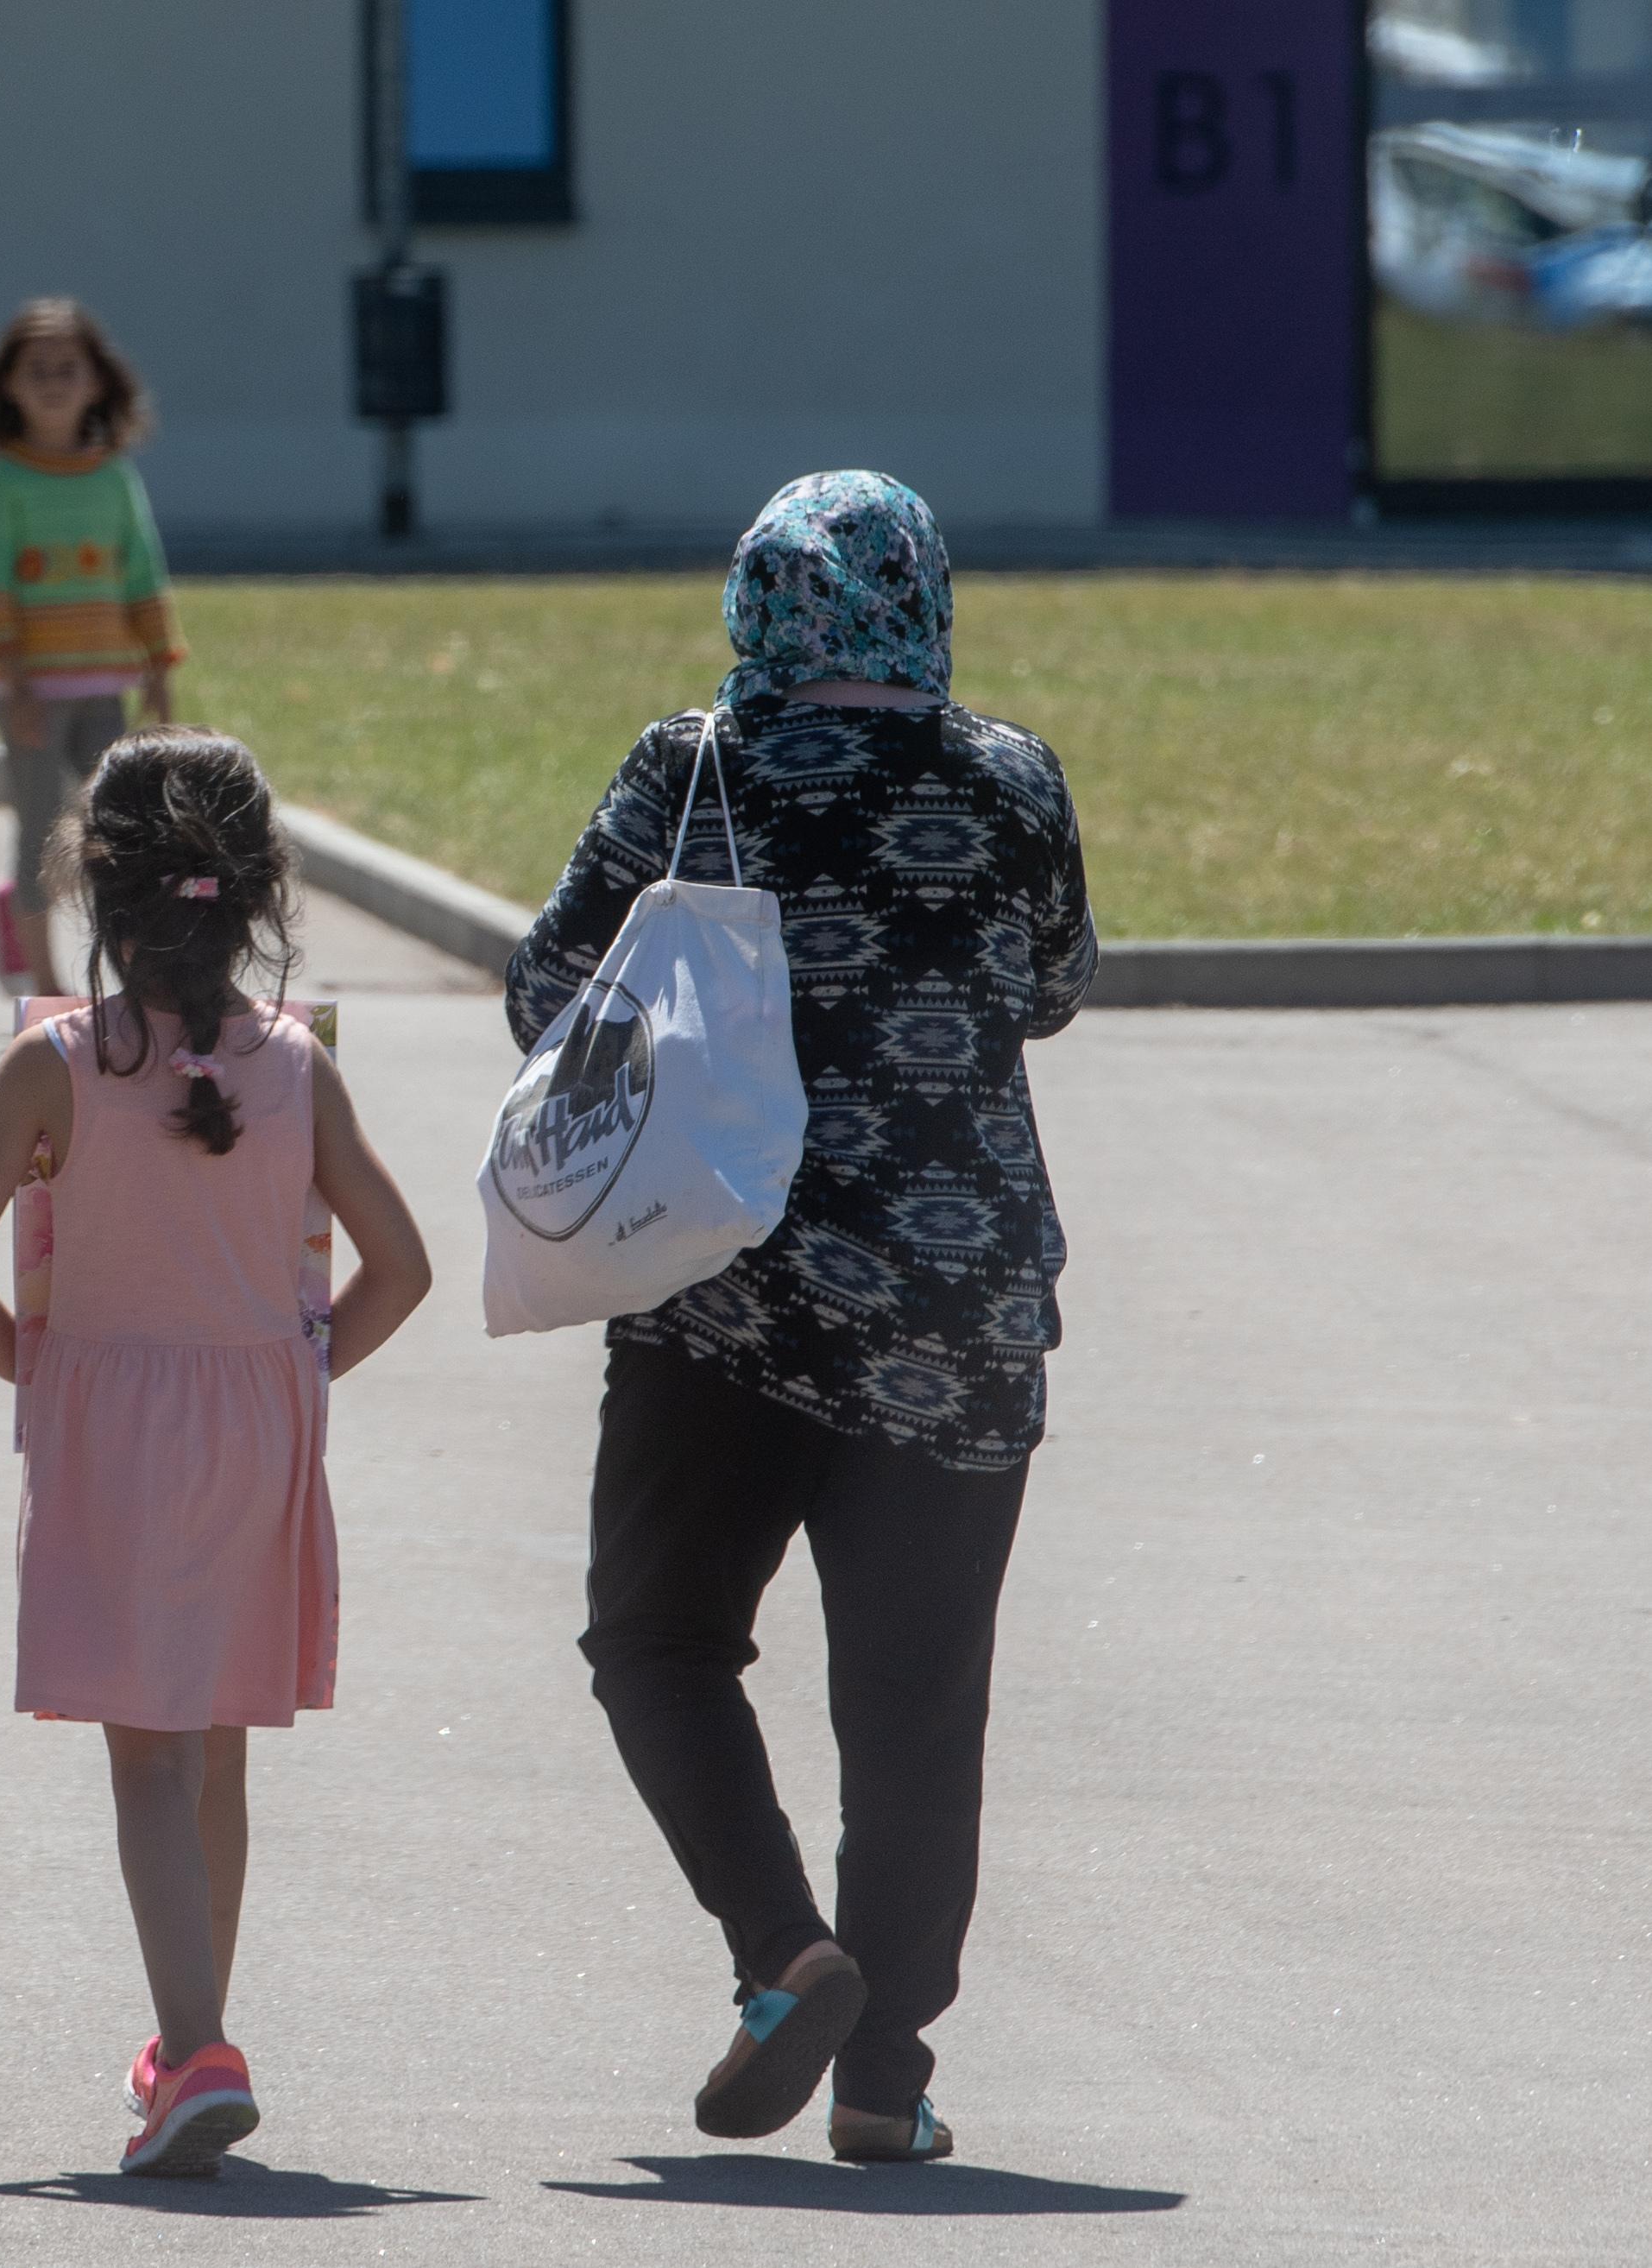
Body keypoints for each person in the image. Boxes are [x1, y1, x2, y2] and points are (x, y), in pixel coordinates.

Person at [509, 471, 1097, 2164]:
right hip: (959, 1299)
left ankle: (785, 1954)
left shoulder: (685, 766)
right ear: (918, 592)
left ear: (754, 602)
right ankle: (883, 2070)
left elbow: (548, 990)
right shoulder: (1008, 778)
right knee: (915, 1703)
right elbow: (1049, 987)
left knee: (656, 1639)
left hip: (723, 1291)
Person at [0, 730, 431, 2176]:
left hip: (111, 1422)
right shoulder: (299, 1069)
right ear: (260, 892)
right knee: (215, 1748)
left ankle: (195, 2048)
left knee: (143, 1754)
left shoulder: (53, 1066)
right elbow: (398, 1267)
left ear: (97, 885)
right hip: (258, 1421)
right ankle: (189, 2026)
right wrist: (302, 1362)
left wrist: (43, 1365)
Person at [0, 299, 183, 994]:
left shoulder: (114, 477)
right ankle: (49, 991)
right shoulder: (5, 482)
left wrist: (158, 667)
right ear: (8, 387)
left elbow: (142, 571)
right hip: (32, 692)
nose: (53, 381)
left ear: (97, 381)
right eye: (36, 370)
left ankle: (132, 980)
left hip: (103, 688)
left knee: (113, 836)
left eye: (68, 368)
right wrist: (16, 678)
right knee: (38, 834)